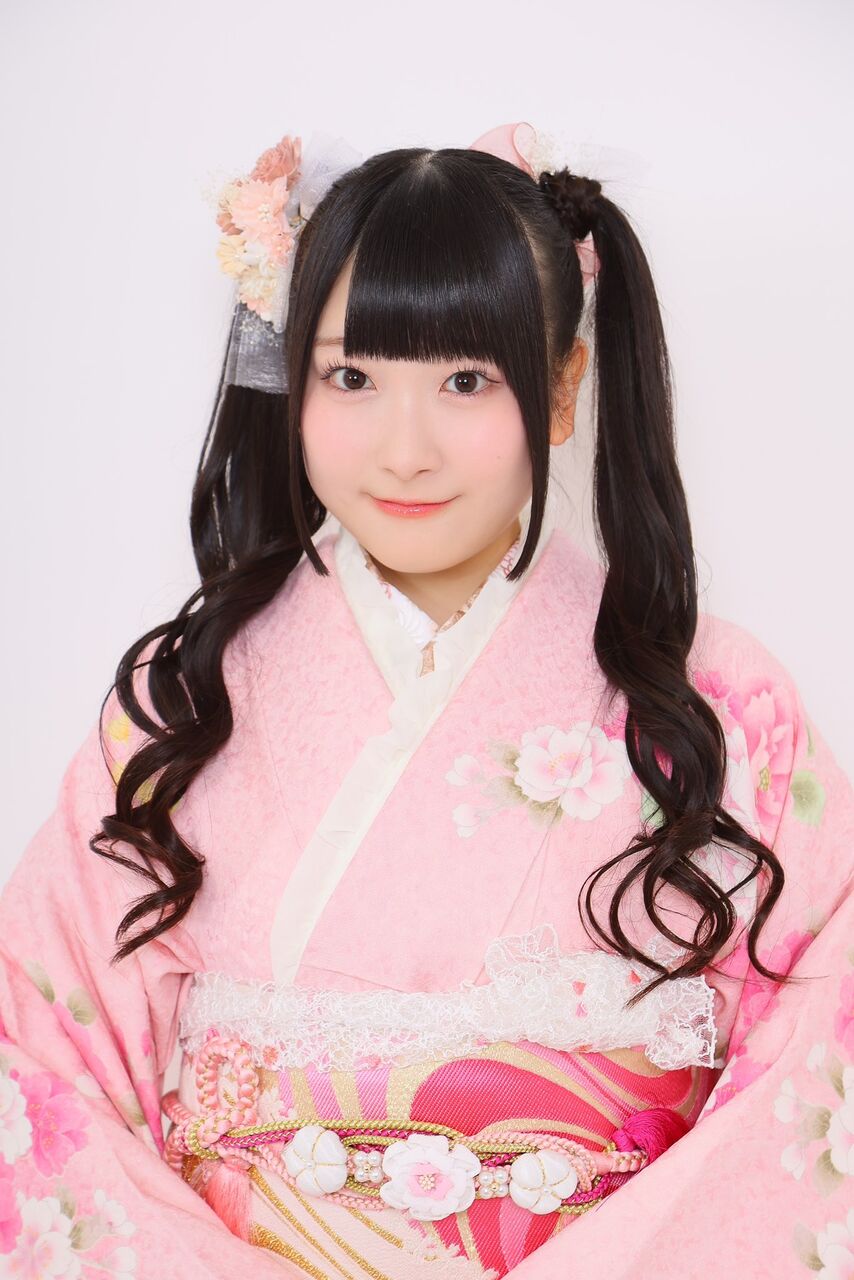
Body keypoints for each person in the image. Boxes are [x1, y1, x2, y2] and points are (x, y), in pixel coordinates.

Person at [1, 120, 851, 1280]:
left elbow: (819, 1059)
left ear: (561, 387)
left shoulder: (716, 701)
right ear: (290, 380)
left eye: (464, 379)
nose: (403, 450)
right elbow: (39, 1059)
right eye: (351, 377)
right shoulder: (187, 698)